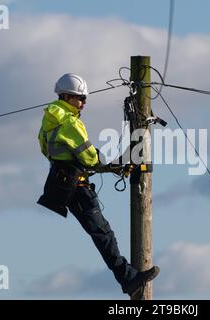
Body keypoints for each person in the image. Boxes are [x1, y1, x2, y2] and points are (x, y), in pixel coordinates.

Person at [37, 73, 159, 297]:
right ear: (66, 96)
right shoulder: (70, 122)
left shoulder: (50, 118)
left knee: (101, 233)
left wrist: (87, 162)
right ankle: (129, 279)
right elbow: (90, 158)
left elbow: (47, 149)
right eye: (80, 98)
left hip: (61, 181)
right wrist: (115, 166)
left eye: (85, 99)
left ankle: (128, 277)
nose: (83, 103)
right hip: (76, 186)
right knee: (103, 234)